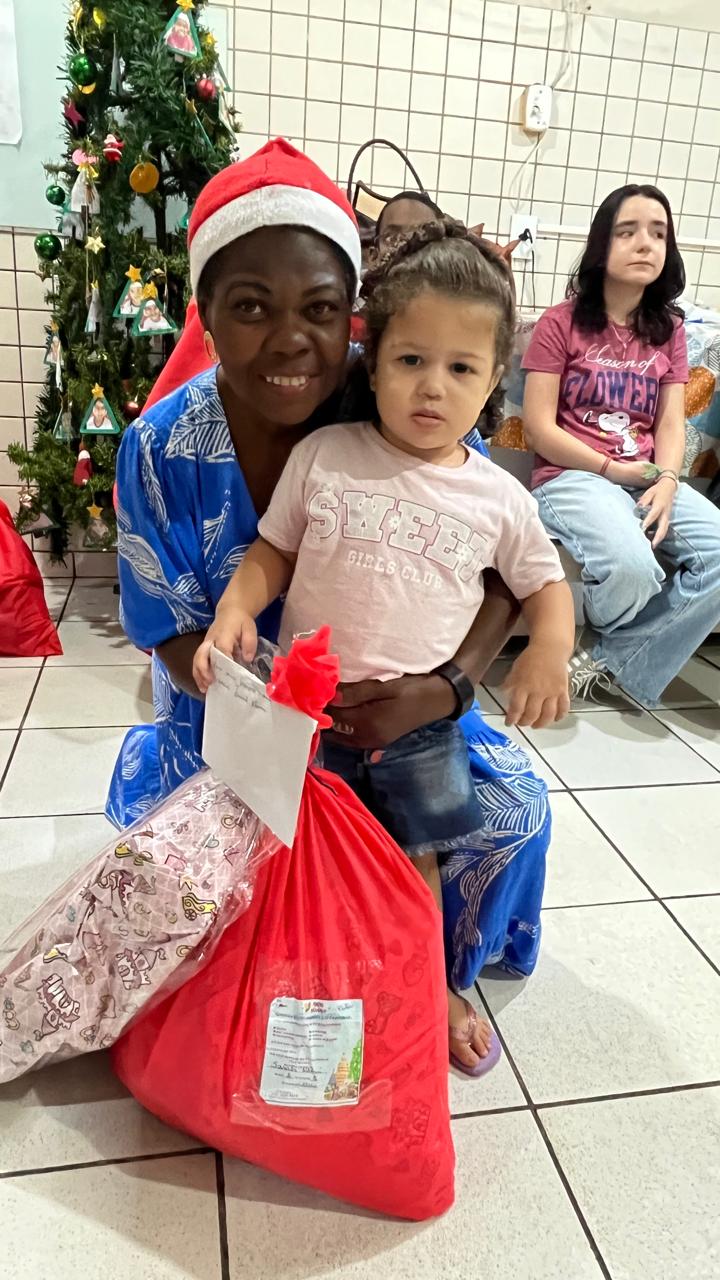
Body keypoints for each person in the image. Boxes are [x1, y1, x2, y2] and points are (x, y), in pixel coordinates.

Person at [111, 139, 554, 1071]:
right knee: (227, 865)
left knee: (509, 810)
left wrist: (444, 691)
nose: (289, 340)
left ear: (352, 317)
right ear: (204, 315)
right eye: (249, 307)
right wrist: (266, 702)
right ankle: (303, 977)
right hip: (234, 712)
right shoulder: (160, 448)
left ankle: (424, 971)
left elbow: (503, 576)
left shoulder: (399, 396)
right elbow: (166, 626)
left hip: (401, 699)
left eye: (319, 309)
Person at [523, 184, 720, 706]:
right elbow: (539, 429)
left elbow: (670, 423)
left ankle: (608, 659)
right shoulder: (560, 322)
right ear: (600, 244)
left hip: (646, 477)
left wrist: (669, 480)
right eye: (627, 231)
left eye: (658, 233)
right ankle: (618, 655)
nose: (645, 243)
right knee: (632, 568)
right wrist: (612, 471)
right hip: (572, 475)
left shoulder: (668, 330)